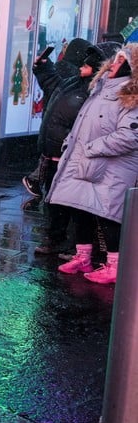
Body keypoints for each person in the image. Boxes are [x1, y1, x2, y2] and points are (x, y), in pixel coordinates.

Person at [47, 44, 138, 284]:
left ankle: (114, 265)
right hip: (86, 161)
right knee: (80, 208)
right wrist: (71, 143)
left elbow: (130, 136)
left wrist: (91, 148)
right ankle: (83, 257)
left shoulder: (130, 95)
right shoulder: (99, 89)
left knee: (107, 214)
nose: (113, 64)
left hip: (111, 167)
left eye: (120, 61)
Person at [30, 42, 117, 255]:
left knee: (73, 205)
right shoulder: (74, 82)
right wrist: (43, 67)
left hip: (71, 156)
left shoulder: (97, 91)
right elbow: (52, 85)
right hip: (53, 154)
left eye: (86, 65)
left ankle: (75, 245)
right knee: (54, 201)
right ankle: (55, 239)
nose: (80, 67)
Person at [22, 38, 93, 197]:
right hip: (60, 121)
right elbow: (55, 85)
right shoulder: (75, 74)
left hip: (53, 115)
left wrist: (43, 67)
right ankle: (37, 182)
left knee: (50, 162)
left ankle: (39, 182)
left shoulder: (65, 69)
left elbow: (52, 83)